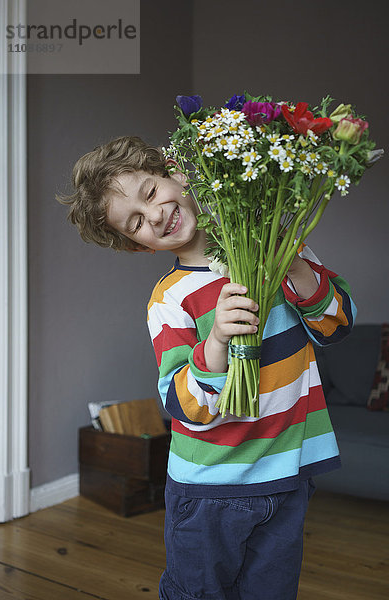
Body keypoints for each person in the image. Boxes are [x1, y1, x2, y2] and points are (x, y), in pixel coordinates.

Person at [57, 135, 356, 600]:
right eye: (135, 221)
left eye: (151, 193)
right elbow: (183, 404)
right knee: (196, 593)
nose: (154, 214)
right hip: (212, 487)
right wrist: (215, 340)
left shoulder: (272, 252)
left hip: (288, 472)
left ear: (176, 172)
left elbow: (336, 326)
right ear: (138, 247)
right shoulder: (170, 300)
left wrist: (294, 261)